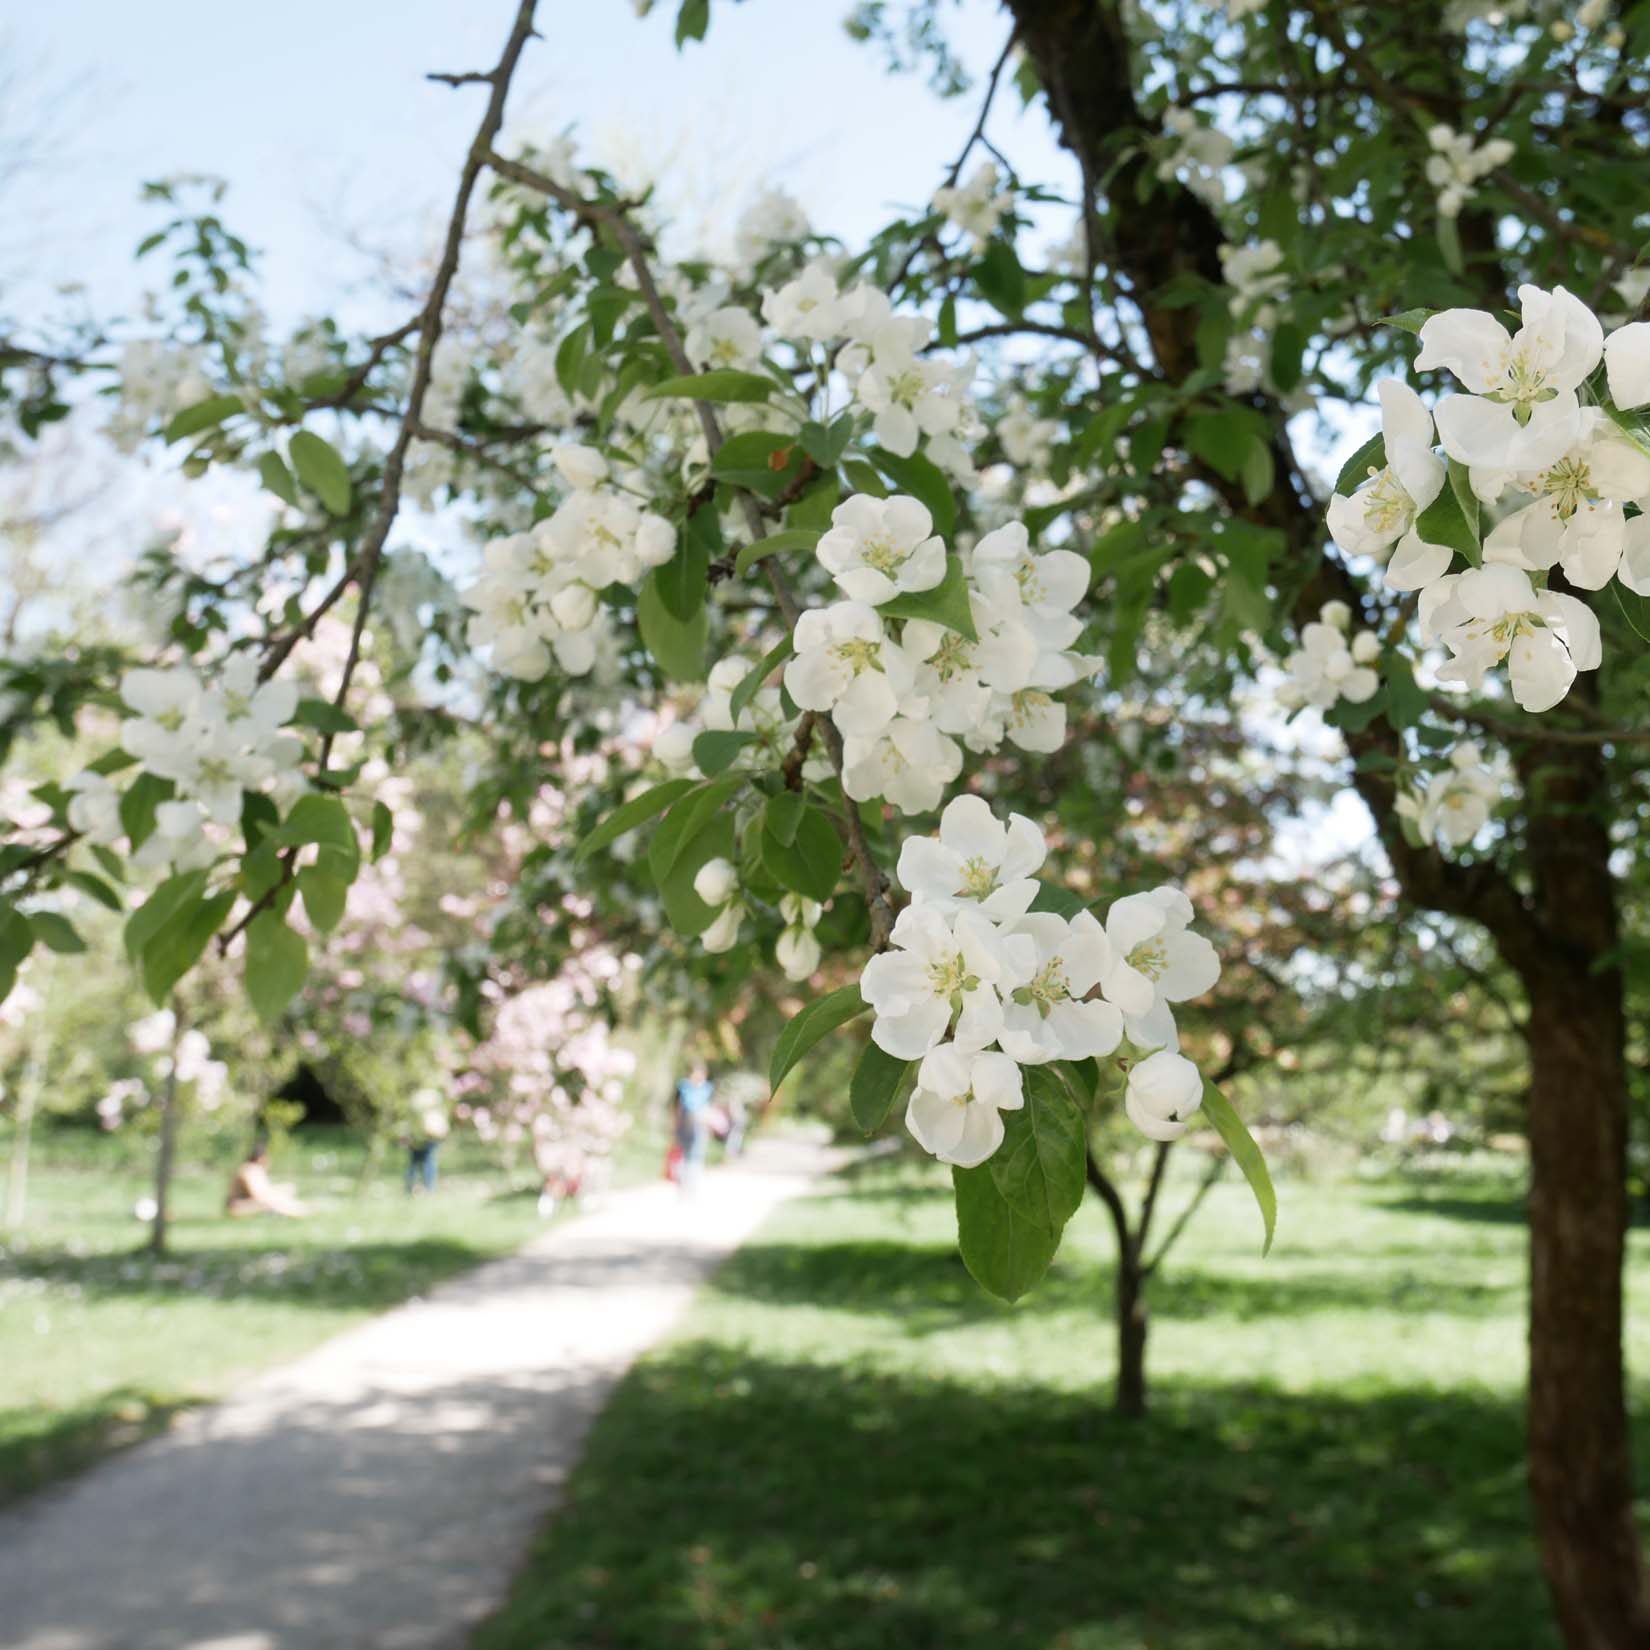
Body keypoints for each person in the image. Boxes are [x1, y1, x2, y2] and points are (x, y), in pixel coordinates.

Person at [225, 1140, 308, 1219]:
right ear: (261, 1158)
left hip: (242, 1206)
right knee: (274, 1201)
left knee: (287, 1188)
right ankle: (299, 1212)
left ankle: (298, 1210)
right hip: (238, 1209)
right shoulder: (251, 1170)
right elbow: (259, 1195)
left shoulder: (251, 1169)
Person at [673, 1062, 714, 1195]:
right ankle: (681, 1184)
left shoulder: (708, 1089)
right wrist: (674, 1125)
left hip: (699, 1127)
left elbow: (710, 1110)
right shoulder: (683, 1088)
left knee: (696, 1156)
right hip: (684, 1126)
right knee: (682, 1156)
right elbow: (676, 1108)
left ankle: (692, 1186)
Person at [405, 1091, 449, 1194]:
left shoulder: (417, 1099)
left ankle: (416, 1187)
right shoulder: (431, 1097)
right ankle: (425, 1187)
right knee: (425, 1163)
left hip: (422, 1136)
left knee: (417, 1163)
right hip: (426, 1136)